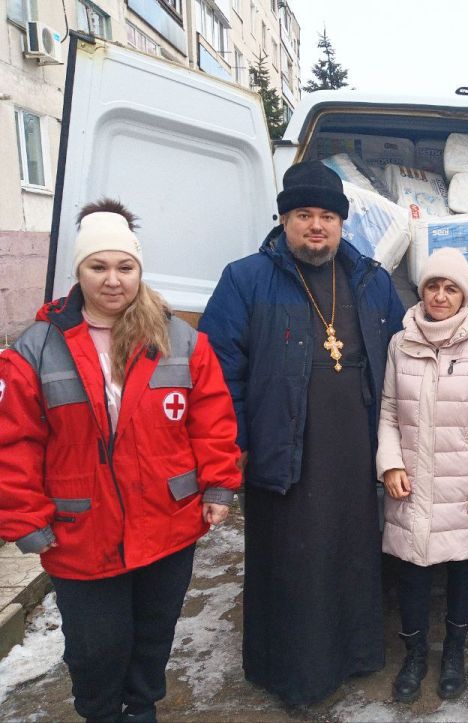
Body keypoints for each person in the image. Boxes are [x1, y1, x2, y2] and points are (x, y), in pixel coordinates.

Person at [0, 199, 241, 722]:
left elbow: (212, 419)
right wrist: (26, 521)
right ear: (79, 272)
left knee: (153, 638)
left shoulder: (179, 339)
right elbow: (13, 443)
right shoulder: (36, 349)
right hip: (81, 531)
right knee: (97, 647)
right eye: (98, 267)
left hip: (166, 522)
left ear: (139, 269)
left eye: (124, 267)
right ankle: (101, 713)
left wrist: (219, 485)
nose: (113, 280)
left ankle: (142, 711)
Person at [198, 160, 405, 705]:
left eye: (328, 217)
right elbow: (219, 375)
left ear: (342, 224)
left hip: (354, 450)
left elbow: (409, 355)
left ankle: (357, 656)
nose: (318, 226)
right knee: (293, 567)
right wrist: (236, 446)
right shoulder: (246, 279)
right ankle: (294, 677)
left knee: (353, 557)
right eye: (304, 215)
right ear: (284, 220)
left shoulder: (371, 280)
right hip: (284, 453)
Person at [377, 247, 468, 703]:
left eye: (450, 287)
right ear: (421, 291)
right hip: (412, 481)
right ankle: (415, 654)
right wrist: (390, 463)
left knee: (461, 573)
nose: (440, 295)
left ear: (463, 295)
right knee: (412, 572)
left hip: (464, 484)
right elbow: (390, 410)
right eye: (433, 285)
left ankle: (454, 652)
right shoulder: (401, 342)